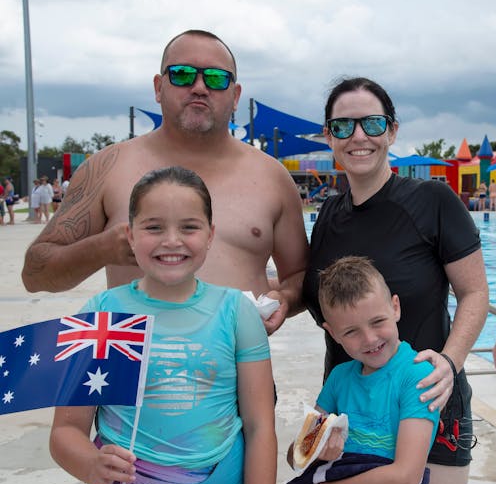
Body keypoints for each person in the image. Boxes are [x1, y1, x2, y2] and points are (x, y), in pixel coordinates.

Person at [21, 29, 308, 335]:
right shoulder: (108, 167)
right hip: (136, 376)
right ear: (159, 87)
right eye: (182, 74)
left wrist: (285, 299)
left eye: (215, 78)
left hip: (239, 374)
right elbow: (35, 274)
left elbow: (300, 275)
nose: (199, 87)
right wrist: (102, 248)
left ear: (235, 95)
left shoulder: (271, 177)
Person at [302, 77, 489, 484]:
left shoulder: (433, 202)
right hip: (353, 409)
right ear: (328, 136)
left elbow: (475, 293)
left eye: (372, 122)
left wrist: (451, 361)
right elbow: (318, 296)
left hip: (428, 398)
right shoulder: (328, 215)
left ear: (392, 131)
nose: (358, 135)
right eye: (343, 126)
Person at [49, 166, 277, 484]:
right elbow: (65, 432)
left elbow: (260, 427)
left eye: (189, 227)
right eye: (154, 227)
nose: (172, 240)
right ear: (131, 235)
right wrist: (91, 464)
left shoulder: (236, 312)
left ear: (210, 236)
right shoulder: (104, 314)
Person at [280, 256, 439, 484]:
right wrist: (314, 449)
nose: (369, 339)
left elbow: (406, 477)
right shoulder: (340, 379)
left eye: (377, 321)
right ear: (332, 333)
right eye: (351, 331)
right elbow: (295, 458)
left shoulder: (416, 376)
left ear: (395, 307)